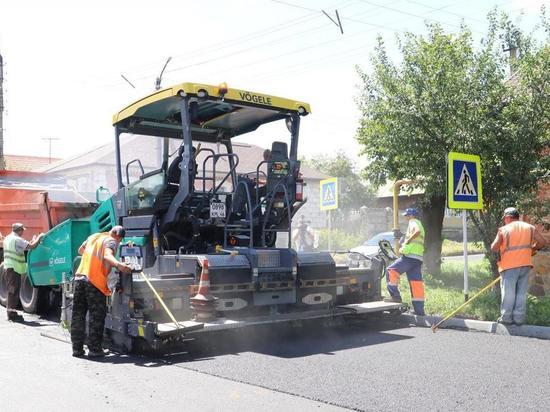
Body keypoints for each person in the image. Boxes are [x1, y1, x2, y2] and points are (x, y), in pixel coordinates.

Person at [71, 225, 132, 358]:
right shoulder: (111, 241)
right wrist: (118, 265)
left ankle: (77, 349)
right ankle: (94, 349)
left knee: (78, 315)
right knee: (96, 316)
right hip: (94, 281)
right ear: (117, 235)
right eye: (119, 240)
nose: (118, 243)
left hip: (80, 278)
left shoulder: (94, 237)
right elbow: (107, 255)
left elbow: (80, 250)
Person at [490, 207, 546, 326]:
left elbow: (493, 247)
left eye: (505, 218)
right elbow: (542, 242)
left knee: (509, 293)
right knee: (521, 293)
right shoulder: (530, 228)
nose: (504, 221)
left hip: (509, 266)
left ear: (508, 217)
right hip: (525, 265)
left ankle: (506, 318)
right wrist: (532, 249)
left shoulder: (504, 229)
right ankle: (519, 319)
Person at [384, 207, 426, 316]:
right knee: (416, 284)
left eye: (407, 215)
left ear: (411, 215)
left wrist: (407, 240)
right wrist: (403, 237)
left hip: (409, 257)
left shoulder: (414, 222)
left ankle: (395, 297)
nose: (406, 217)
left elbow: (417, 232)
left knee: (391, 270)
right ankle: (419, 311)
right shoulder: (418, 223)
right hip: (417, 258)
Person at [3, 223, 44, 322]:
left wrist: (30, 242)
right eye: (22, 231)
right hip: (14, 269)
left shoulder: (8, 238)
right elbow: (32, 246)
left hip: (9, 268)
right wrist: (39, 237)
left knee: (11, 291)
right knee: (13, 291)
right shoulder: (17, 239)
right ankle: (12, 315)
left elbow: (22, 246)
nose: (23, 233)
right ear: (19, 230)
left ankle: (11, 312)